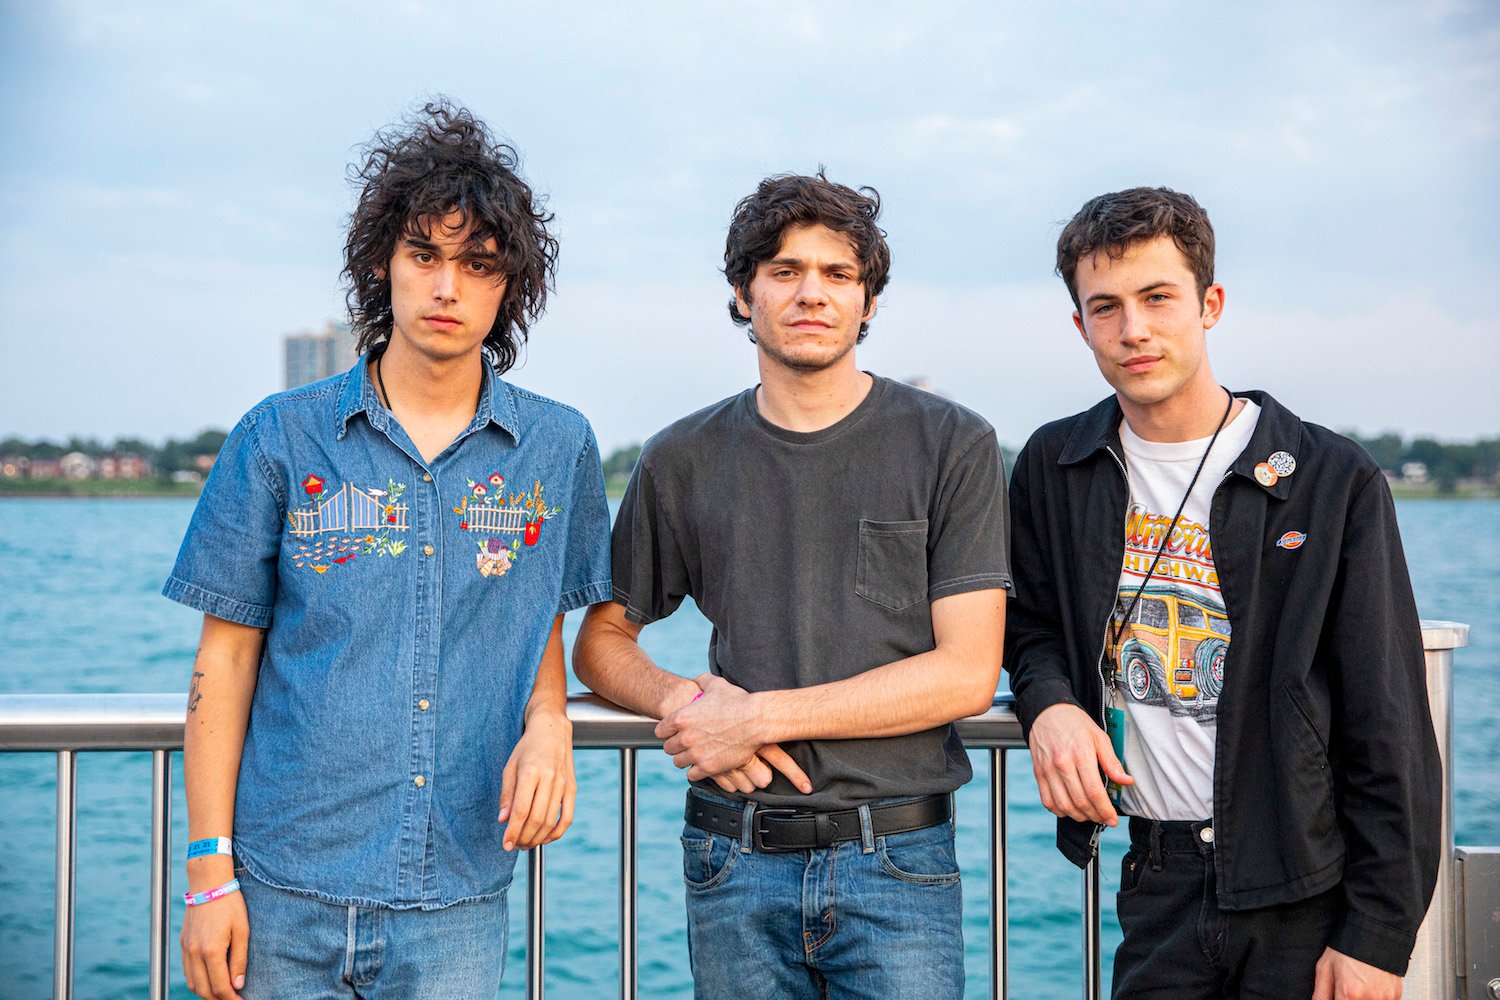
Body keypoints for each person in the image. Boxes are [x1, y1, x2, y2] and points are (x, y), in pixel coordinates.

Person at [164, 101, 611, 999]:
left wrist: (551, 722)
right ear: (384, 263)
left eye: (478, 265)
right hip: (283, 881)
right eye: (426, 255)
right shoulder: (281, 436)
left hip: (455, 890)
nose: (448, 287)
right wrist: (210, 874)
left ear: (508, 286)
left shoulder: (557, 447)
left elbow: (539, 622)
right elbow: (225, 657)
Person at [573, 170, 1010, 999]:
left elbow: (967, 672)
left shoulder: (952, 444)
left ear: (868, 301)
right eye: (784, 271)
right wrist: (684, 704)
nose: (812, 293)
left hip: (899, 857)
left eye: (837, 274)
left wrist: (758, 716)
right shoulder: (683, 456)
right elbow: (601, 640)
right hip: (731, 859)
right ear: (744, 296)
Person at [1004, 186, 1440, 999]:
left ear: (1211, 304)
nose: (1134, 329)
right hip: (1156, 874)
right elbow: (1028, 625)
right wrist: (1051, 704)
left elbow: (1389, 725)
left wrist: (1378, 937)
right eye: (1106, 307)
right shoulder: (1054, 465)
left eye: (1158, 298)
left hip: (1303, 886)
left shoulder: (1327, 477)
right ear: (1080, 326)